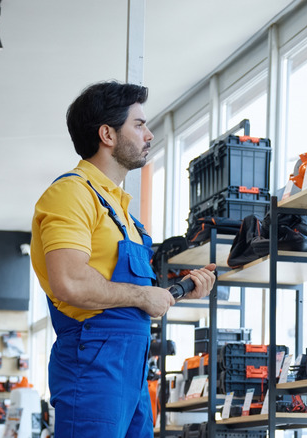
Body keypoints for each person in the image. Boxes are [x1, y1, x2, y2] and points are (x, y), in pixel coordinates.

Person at [30, 80, 215, 437]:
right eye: (139, 124)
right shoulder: (70, 194)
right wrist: (144, 296)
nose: (149, 134)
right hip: (93, 362)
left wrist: (175, 292)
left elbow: (121, 292)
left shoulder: (122, 211)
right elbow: (68, 282)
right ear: (107, 134)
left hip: (131, 369)